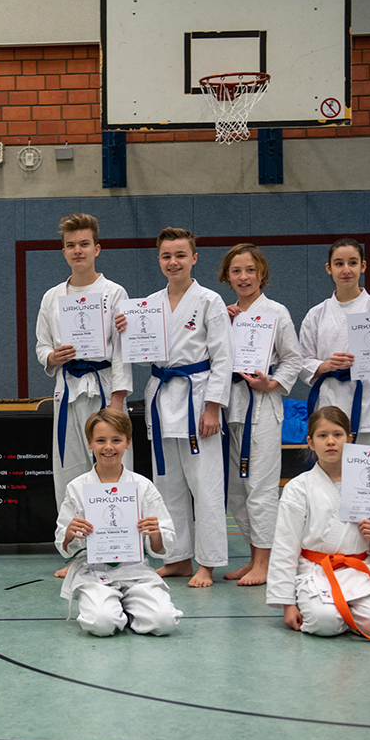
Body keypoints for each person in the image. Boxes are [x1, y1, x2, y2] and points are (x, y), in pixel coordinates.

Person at [265, 406, 370, 643]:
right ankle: (332, 614)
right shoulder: (298, 487)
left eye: (337, 434)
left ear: (350, 439)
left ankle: (345, 615)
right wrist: (287, 603)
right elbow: (285, 545)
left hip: (358, 569)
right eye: (322, 435)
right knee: (323, 623)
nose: (330, 441)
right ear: (310, 442)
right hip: (315, 572)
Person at [138, 228, 232, 588]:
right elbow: (142, 353)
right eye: (166, 256)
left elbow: (223, 358)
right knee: (167, 486)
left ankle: (207, 563)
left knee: (206, 487)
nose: (173, 262)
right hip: (162, 399)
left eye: (180, 255)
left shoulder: (209, 301)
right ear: (159, 260)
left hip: (197, 401)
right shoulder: (149, 304)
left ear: (194, 258)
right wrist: (127, 330)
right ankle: (177, 558)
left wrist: (213, 407)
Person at [55, 409, 182, 637]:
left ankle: (130, 607)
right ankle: (110, 607)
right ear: (89, 443)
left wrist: (155, 533)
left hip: (135, 569)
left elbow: (162, 546)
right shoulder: (77, 487)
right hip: (94, 572)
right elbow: (64, 545)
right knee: (102, 624)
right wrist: (69, 534)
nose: (108, 447)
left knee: (163, 622)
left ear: (128, 443)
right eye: (100, 440)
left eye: (116, 440)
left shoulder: (142, 486)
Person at [218, 244, 302, 586]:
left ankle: (266, 563)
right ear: (227, 276)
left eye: (250, 270)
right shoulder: (225, 315)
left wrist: (273, 383)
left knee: (261, 488)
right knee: (237, 491)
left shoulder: (276, 312)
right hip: (232, 407)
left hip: (263, 407)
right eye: (236, 271)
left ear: (262, 273)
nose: (244, 277)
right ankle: (255, 557)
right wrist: (225, 325)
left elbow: (293, 358)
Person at [35, 213, 132, 512]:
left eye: (84, 244)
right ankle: (73, 536)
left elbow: (122, 350)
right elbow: (42, 346)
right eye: (71, 245)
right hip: (67, 389)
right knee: (69, 468)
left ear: (97, 249)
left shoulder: (114, 292)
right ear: (63, 251)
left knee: (110, 464)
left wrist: (118, 401)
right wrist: (52, 357)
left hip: (104, 389)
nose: (78, 250)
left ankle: (116, 536)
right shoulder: (51, 297)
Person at [299, 238, 370, 447]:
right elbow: (303, 362)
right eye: (339, 263)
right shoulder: (316, 314)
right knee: (333, 465)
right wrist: (327, 365)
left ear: (363, 266)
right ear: (329, 268)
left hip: (369, 400)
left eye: (352, 263)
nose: (346, 270)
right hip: (330, 402)